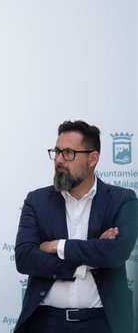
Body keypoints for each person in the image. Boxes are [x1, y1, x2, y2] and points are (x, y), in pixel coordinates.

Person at [14, 120, 138, 333]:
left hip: (102, 323)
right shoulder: (37, 200)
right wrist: (84, 263)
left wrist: (57, 246)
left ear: (93, 158)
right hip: (45, 322)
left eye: (69, 153)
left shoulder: (123, 200)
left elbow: (116, 252)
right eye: (57, 152)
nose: (60, 160)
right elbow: (25, 258)